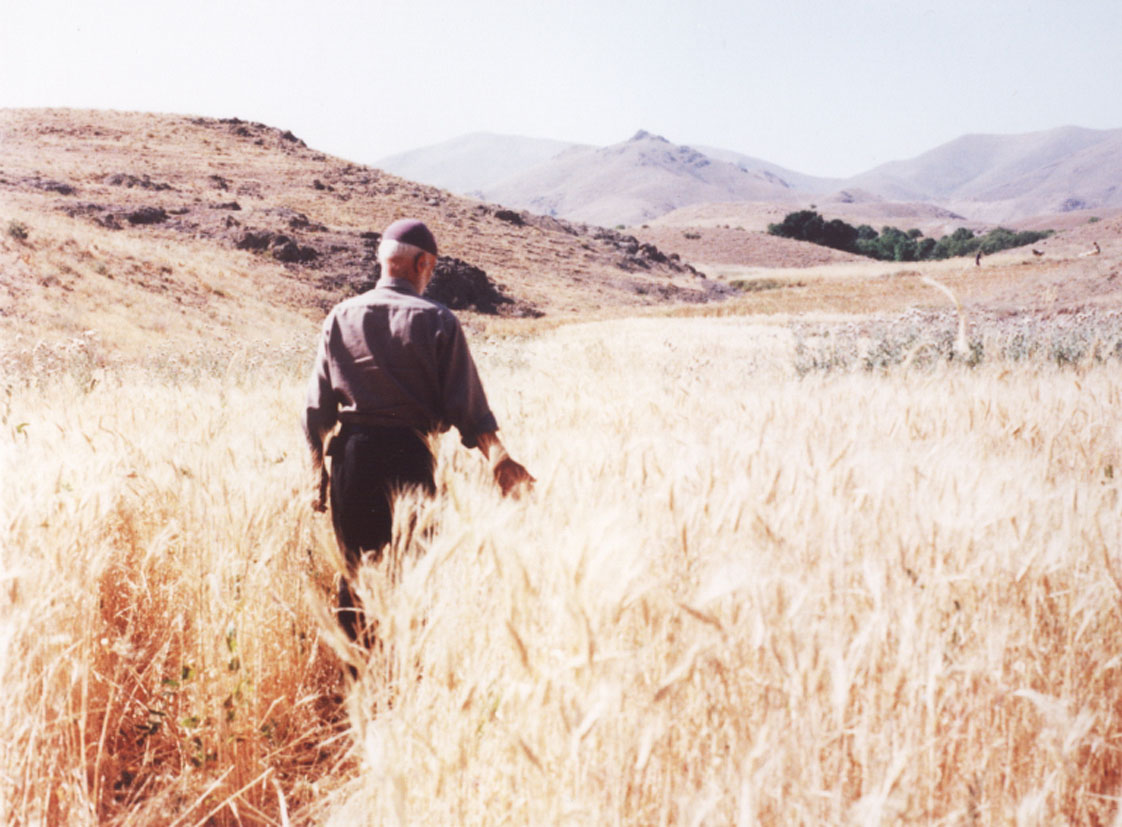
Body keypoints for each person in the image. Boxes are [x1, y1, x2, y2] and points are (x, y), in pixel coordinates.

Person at [303, 218, 533, 644]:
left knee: (355, 575)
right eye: (432, 268)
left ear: (382, 261)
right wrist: (498, 457)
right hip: (410, 457)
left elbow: (316, 409)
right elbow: (468, 407)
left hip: (352, 459)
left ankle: (361, 685)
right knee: (414, 574)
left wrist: (318, 471)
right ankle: (405, 681)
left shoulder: (340, 316)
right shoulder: (438, 321)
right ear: (422, 263)